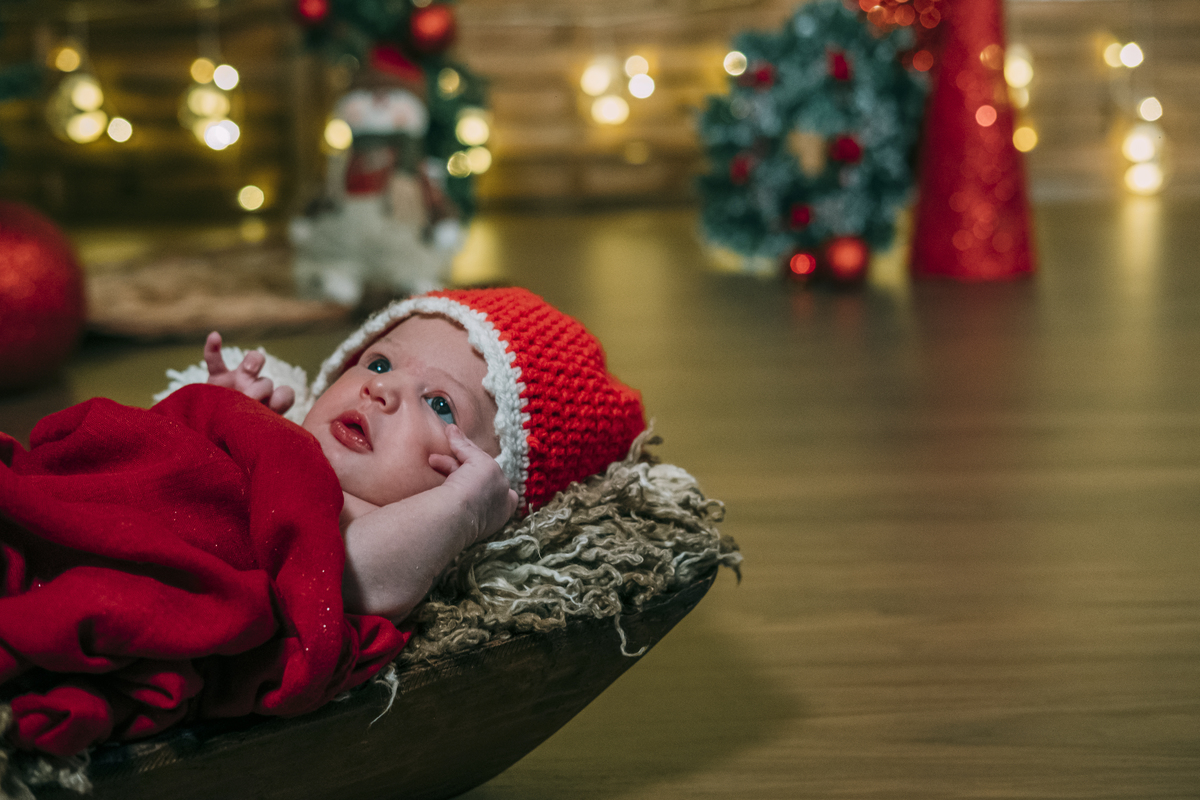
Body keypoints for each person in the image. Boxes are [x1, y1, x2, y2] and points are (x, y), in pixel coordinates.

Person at [0, 287, 645, 757]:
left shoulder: (367, 516)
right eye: (380, 363)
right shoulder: (287, 441)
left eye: (441, 402)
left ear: (481, 480)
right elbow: (138, 468)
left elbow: (352, 582)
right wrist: (219, 414)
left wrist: (459, 514)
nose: (382, 390)